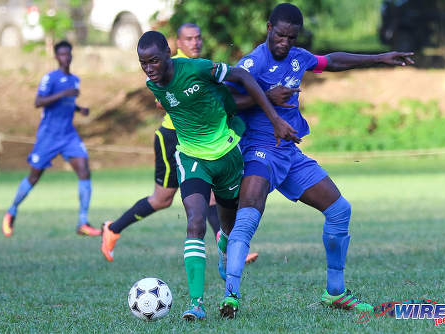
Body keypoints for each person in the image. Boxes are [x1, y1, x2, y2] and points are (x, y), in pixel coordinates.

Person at [219, 3, 415, 318]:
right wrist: (266, 98)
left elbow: (330, 60)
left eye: (291, 38)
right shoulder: (252, 63)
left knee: (339, 210)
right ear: (269, 28)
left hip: (290, 154)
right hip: (258, 150)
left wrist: (379, 57)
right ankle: (231, 296)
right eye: (280, 35)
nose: (284, 43)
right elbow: (224, 103)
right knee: (248, 218)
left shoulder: (298, 58)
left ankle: (335, 292)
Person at [136, 30, 298, 321]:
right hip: (193, 158)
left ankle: (224, 247)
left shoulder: (198, 68)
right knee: (195, 221)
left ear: (168, 56)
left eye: (154, 61)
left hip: (227, 155)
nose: (149, 69)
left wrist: (273, 115)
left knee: (228, 227)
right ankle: (196, 304)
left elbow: (241, 78)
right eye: (143, 63)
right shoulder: (154, 84)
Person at [100, 23, 259, 266]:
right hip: (171, 137)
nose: (194, 43)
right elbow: (161, 100)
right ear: (176, 45)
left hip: (205, 141)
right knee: (162, 199)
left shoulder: (201, 65)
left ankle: (228, 246)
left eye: (198, 38)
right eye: (188, 39)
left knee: (212, 195)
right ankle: (113, 228)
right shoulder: (167, 64)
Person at [2, 40, 100, 237]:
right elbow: (38, 102)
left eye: (68, 53)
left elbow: (67, 104)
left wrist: (80, 109)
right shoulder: (50, 78)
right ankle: (11, 210)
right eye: (62, 54)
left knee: (84, 169)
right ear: (56, 57)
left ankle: (82, 222)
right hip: (48, 136)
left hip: (68, 135)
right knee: (34, 176)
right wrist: (63, 93)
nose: (66, 57)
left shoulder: (75, 80)